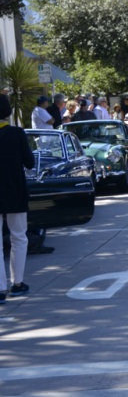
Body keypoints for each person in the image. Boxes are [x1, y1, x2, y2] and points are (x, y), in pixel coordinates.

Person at [0, 93, 35, 301]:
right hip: (14, 191)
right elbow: (29, 162)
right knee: (19, 237)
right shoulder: (17, 133)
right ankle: (17, 283)